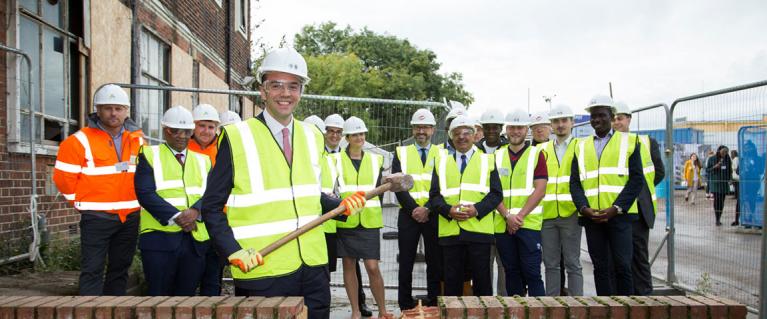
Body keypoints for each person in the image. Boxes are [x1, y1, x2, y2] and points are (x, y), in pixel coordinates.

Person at [200, 47, 366, 319]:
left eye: (293, 86)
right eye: (276, 85)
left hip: (313, 267)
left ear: (301, 91)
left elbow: (307, 196)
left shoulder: (313, 136)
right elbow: (211, 207)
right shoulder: (236, 136)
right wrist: (232, 252)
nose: (285, 93)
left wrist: (341, 206)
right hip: (263, 267)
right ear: (263, 91)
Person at [53, 84, 145, 295]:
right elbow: (63, 178)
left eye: (118, 108)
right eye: (108, 108)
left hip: (129, 217)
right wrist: (80, 203)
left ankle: (114, 310)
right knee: (92, 270)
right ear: (98, 110)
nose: (114, 113)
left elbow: (143, 174)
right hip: (96, 217)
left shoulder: (138, 140)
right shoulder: (78, 141)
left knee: (120, 270)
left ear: (126, 111)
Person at [569, 94, 644, 296]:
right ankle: (604, 309)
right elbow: (575, 182)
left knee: (623, 266)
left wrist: (616, 208)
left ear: (611, 116)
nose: (596, 120)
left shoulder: (630, 142)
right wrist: (584, 208)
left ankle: (625, 309)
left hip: (619, 216)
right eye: (593, 116)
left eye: (601, 115)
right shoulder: (580, 145)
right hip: (592, 217)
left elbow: (637, 179)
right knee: (600, 268)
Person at [135, 105, 212, 296]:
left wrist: (195, 211)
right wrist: (178, 216)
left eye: (187, 131)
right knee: (159, 297)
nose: (181, 136)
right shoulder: (149, 155)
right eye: (174, 130)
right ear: (164, 130)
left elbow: (212, 194)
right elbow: (145, 193)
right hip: (159, 239)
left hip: (195, 240)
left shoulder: (204, 161)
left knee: (185, 298)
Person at [428, 115, 502, 297]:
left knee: (482, 285)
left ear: (474, 135)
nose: (462, 137)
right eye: (457, 133)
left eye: (466, 133)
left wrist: (477, 209)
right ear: (451, 137)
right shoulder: (441, 162)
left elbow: (496, 195)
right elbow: (435, 196)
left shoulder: (487, 161)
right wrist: (448, 211)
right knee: (452, 286)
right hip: (451, 234)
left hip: (479, 234)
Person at [333, 116, 390, 319]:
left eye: (362, 133)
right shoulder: (335, 160)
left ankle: (382, 310)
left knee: (372, 267)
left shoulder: (376, 160)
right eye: (355, 134)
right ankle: (356, 310)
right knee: (349, 264)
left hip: (369, 220)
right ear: (347, 137)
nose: (360, 137)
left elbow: (380, 191)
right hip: (347, 219)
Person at [321, 113, 373, 317]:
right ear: (325, 133)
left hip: (344, 218)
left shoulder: (345, 156)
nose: (334, 135)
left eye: (338, 132)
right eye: (331, 131)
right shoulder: (317, 154)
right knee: (327, 266)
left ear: (343, 136)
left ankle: (360, 304)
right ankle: (323, 304)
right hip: (327, 218)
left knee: (353, 264)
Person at [612, 100, 666, 296]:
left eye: (620, 118)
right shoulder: (607, 144)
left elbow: (658, 172)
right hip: (616, 210)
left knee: (638, 256)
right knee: (619, 258)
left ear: (629, 119)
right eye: (614, 119)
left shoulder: (645, 142)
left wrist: (639, 190)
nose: (616, 122)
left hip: (639, 210)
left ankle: (644, 298)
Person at [392, 109, 443, 309]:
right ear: (412, 129)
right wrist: (414, 209)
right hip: (408, 214)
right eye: (417, 127)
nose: (421, 131)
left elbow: (444, 185)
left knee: (435, 261)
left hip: (433, 214)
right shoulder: (401, 152)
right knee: (405, 262)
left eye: (425, 127)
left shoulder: (442, 153)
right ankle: (405, 303)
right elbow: (397, 185)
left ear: (433, 130)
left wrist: (428, 208)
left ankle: (433, 301)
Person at [493, 110, 548, 297]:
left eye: (520, 127)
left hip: (528, 224)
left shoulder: (536, 155)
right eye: (512, 127)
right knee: (512, 273)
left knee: (532, 273)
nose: (515, 131)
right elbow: (493, 192)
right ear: (506, 130)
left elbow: (540, 189)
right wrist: (507, 216)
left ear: (526, 130)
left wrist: (519, 217)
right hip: (503, 224)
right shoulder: (497, 156)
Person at [539, 104, 584, 297]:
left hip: (571, 213)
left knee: (573, 263)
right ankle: (552, 306)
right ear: (550, 125)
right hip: (547, 213)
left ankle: (578, 306)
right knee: (551, 264)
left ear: (572, 122)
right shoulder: (542, 150)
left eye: (564, 120)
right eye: (556, 121)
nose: (560, 125)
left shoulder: (581, 147)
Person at [188, 103, 225, 296]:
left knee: (213, 277)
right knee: (188, 277)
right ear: (193, 126)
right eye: (202, 125)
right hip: (189, 223)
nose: (206, 131)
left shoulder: (223, 149)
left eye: (211, 127)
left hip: (216, 220)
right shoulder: (183, 147)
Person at [474, 108, 508, 296]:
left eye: (495, 127)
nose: (491, 131)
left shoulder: (509, 149)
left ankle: (503, 305)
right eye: (488, 128)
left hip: (504, 219)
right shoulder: (475, 150)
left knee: (505, 267)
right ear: (483, 129)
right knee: (483, 268)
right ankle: (485, 305)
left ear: (501, 128)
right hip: (482, 218)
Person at [706, 145, 732, 226]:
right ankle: (717, 219)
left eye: (726, 152)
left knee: (722, 202)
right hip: (716, 183)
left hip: (724, 183)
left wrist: (730, 179)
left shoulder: (727, 159)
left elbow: (729, 170)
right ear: (719, 151)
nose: (724, 153)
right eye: (723, 152)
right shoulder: (712, 159)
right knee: (716, 201)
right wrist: (715, 167)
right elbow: (707, 170)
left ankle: (719, 217)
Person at [730, 149, 740, 226]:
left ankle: (737, 220)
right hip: (737, 178)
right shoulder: (737, 159)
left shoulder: (735, 159)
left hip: (737, 178)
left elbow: (736, 169)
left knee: (739, 201)